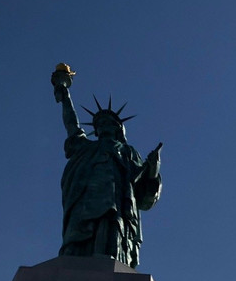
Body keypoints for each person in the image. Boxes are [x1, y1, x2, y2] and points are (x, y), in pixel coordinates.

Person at [51, 64, 162, 268]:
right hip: (85, 200)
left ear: (119, 129)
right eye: (98, 124)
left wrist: (153, 169)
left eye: (108, 123)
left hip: (118, 205)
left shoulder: (129, 153)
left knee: (112, 238)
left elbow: (144, 197)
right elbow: (71, 124)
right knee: (78, 244)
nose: (102, 126)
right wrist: (64, 94)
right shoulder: (85, 148)